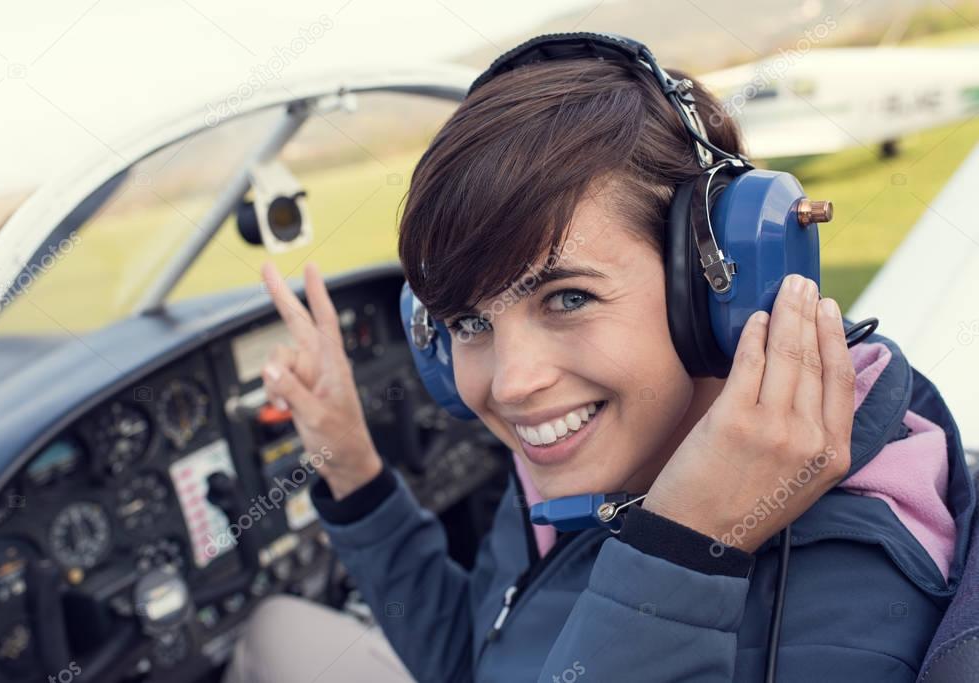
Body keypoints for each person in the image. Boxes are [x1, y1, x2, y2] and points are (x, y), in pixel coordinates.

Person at [224, 33, 975, 682]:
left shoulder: (841, 618)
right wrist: (352, 469)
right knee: (271, 627)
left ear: (723, 290)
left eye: (568, 298)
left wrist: (681, 549)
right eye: (466, 321)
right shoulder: (595, 457)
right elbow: (475, 656)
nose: (514, 384)